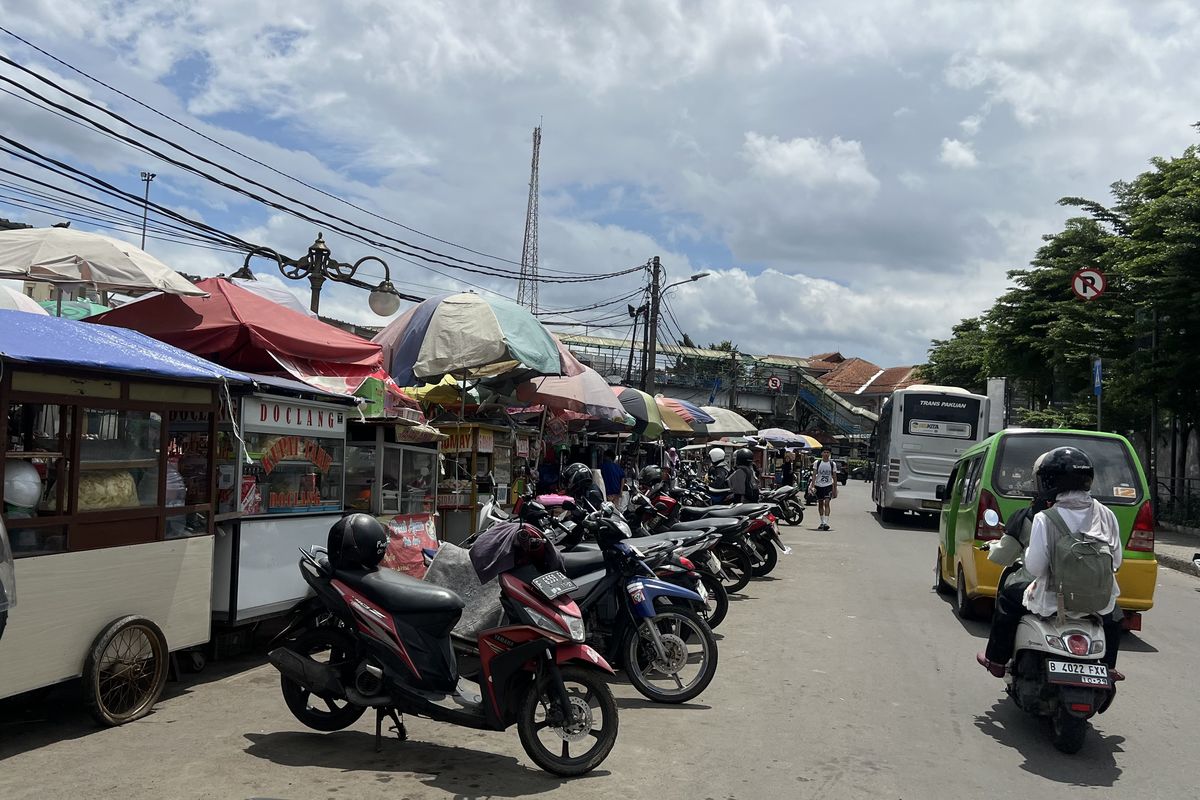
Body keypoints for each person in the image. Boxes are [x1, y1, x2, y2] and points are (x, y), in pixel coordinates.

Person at [978, 447, 1125, 679]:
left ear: (1048, 480)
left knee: (1008, 596)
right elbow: (1116, 562)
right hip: (1098, 601)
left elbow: (1035, 568)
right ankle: (1107, 668)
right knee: (1115, 614)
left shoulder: (1044, 518)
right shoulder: (1107, 514)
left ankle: (996, 660)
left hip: (1053, 599)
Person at [812, 448, 838, 530]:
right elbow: (814, 475)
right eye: (824, 452)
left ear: (830, 454)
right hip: (818, 485)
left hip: (828, 485)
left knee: (827, 502)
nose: (826, 454)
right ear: (822, 454)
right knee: (820, 503)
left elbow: (834, 476)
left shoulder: (832, 464)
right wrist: (812, 486)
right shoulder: (817, 463)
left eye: (828, 452)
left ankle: (826, 522)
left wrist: (835, 488)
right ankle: (822, 522)